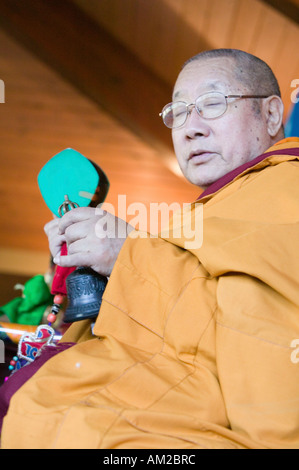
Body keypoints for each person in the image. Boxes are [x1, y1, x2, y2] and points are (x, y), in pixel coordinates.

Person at [1, 48, 299, 449]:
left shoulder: (286, 192)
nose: (190, 128)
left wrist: (129, 255)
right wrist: (92, 272)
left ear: (270, 113)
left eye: (212, 103)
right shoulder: (207, 214)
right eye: (178, 112)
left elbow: (259, 346)